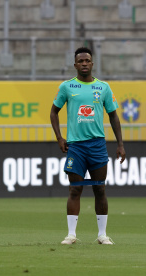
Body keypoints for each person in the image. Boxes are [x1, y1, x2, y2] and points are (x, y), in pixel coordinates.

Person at [50, 47, 126, 245]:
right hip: (76, 146)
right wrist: (59, 137)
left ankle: (102, 235)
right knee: (75, 189)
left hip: (97, 145)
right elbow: (53, 112)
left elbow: (114, 116)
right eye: (80, 61)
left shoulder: (103, 87)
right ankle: (71, 234)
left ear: (92, 64)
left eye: (87, 60)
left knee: (99, 189)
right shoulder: (67, 87)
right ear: (75, 65)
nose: (84, 63)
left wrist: (120, 144)